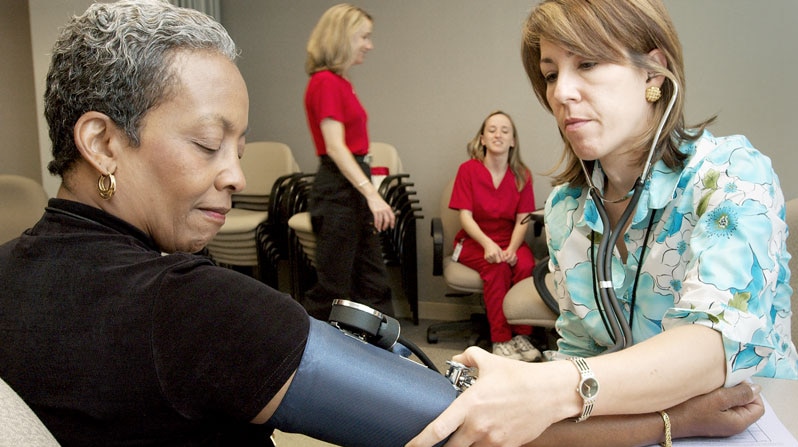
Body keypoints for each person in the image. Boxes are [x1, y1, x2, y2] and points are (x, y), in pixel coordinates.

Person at [0, 2, 459, 445]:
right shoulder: (195, 307)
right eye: (207, 143)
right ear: (101, 143)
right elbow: (458, 423)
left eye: (238, 151)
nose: (237, 176)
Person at [408, 0, 798, 446]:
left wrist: (544, 386)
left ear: (653, 72)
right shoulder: (564, 210)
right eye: (551, 73)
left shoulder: (731, 174)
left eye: (588, 63)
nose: (561, 92)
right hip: (622, 423)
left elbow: (713, 348)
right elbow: (580, 354)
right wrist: (666, 420)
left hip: (748, 421)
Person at [302, 3, 396, 320]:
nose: (369, 45)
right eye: (364, 37)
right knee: (333, 288)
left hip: (352, 188)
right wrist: (373, 195)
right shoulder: (325, 82)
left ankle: (389, 356)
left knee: (372, 282)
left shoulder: (341, 83)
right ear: (343, 37)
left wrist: (368, 194)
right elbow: (335, 147)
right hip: (338, 192)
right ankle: (299, 358)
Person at [449, 111, 540, 361]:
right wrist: (488, 244)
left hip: (509, 238)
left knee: (526, 265)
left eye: (504, 130)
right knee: (497, 266)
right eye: (492, 130)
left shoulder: (522, 174)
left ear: (513, 141)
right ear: (482, 138)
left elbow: (524, 217)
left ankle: (522, 335)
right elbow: (465, 216)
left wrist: (512, 247)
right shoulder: (468, 170)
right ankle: (500, 339)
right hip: (474, 240)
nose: (498, 134)